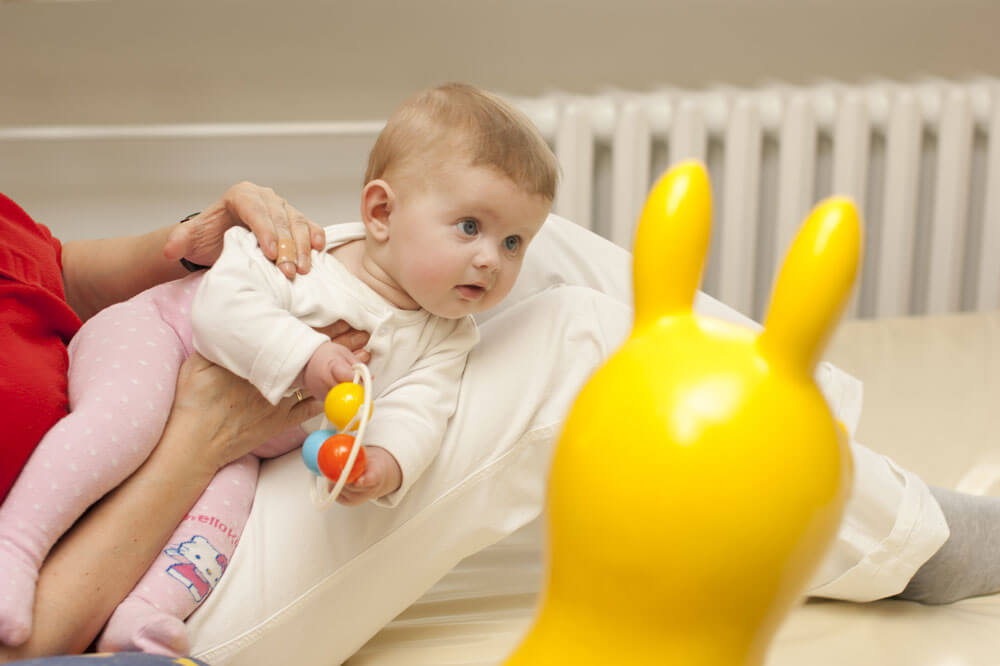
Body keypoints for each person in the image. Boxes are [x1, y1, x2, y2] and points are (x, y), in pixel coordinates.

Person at [0, 83, 556, 657]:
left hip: (246, 442)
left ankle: (143, 614)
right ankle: (15, 544)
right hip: (161, 339)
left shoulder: (447, 335)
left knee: (222, 516)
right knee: (123, 424)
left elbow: (424, 408)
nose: (492, 259)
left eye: (514, 242)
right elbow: (222, 309)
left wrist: (385, 465)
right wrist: (305, 356)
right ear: (381, 213)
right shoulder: (305, 257)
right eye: (470, 227)